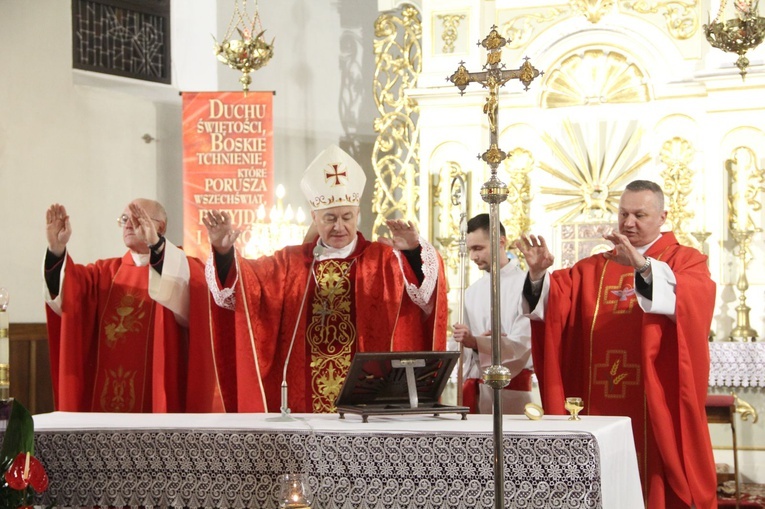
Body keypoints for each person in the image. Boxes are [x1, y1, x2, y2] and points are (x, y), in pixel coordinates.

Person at [516, 180, 717, 508]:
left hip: (655, 402)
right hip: (598, 400)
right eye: (623, 213)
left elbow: (696, 298)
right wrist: (538, 276)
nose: (628, 222)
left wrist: (641, 266)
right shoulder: (592, 269)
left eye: (640, 214)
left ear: (663, 217)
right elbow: (550, 311)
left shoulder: (685, 260)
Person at [203, 144, 448, 413]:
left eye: (346, 217)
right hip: (302, 404)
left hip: (369, 403)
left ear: (358, 216)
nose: (339, 226)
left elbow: (424, 297)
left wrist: (412, 253)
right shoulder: (290, 262)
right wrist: (224, 253)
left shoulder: (384, 259)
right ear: (314, 218)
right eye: (330, 218)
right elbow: (245, 291)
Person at [44, 199, 223, 412]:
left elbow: (194, 303)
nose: (128, 225)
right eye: (124, 219)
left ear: (160, 227)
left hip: (160, 395)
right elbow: (68, 296)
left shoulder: (182, 268)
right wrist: (56, 251)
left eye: (137, 218)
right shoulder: (103, 273)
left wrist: (157, 246)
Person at [451, 214, 534, 414]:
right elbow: (462, 350)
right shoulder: (471, 292)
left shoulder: (527, 286)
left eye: (478, 248)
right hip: (475, 389)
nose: (472, 257)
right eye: (470, 249)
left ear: (500, 242)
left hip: (512, 393)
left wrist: (478, 343)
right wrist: (469, 343)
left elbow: (523, 344)